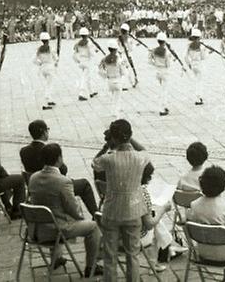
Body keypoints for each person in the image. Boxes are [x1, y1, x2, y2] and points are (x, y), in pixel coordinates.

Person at [28, 143, 103, 276]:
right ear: (59, 159)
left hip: (36, 230)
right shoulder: (63, 181)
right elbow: (73, 210)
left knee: (53, 215)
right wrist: (79, 216)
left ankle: (56, 258)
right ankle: (91, 267)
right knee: (93, 227)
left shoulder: (33, 177)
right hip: (57, 230)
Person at [92, 119, 153, 282]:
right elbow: (145, 150)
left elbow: (94, 164)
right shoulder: (139, 157)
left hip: (112, 211)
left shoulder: (109, 158)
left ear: (114, 137)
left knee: (110, 255)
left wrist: (106, 145)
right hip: (133, 210)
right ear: (129, 135)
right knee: (132, 255)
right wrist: (130, 138)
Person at [20, 120, 98, 217]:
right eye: (47, 130)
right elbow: (63, 169)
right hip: (54, 185)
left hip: (35, 186)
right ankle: (96, 215)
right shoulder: (49, 150)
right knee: (84, 184)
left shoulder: (23, 151)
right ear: (44, 132)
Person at [186, 165, 225, 282]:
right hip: (224, 254)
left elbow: (190, 222)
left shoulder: (194, 205)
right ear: (223, 185)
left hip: (202, 251)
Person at [148, 32, 172, 116]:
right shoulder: (167, 52)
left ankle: (164, 105)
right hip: (164, 71)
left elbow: (149, 61)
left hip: (157, 70)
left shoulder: (153, 50)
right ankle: (162, 108)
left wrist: (156, 64)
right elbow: (168, 64)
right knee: (164, 91)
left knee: (162, 89)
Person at [99, 42, 125, 116]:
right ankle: (116, 112)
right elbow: (123, 71)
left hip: (109, 80)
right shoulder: (119, 59)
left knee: (114, 96)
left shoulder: (104, 59)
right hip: (117, 79)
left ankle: (113, 110)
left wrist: (106, 76)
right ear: (116, 50)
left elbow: (100, 70)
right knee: (118, 97)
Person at [72, 27, 98, 101]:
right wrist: (95, 51)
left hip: (81, 61)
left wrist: (77, 60)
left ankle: (91, 91)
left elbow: (75, 53)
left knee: (88, 77)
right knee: (85, 78)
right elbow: (92, 53)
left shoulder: (78, 43)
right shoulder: (88, 43)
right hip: (87, 62)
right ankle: (81, 93)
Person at [34, 31, 59, 110]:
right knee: (49, 85)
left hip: (43, 68)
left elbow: (34, 60)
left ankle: (50, 100)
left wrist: (40, 63)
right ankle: (46, 102)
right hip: (50, 67)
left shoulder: (39, 49)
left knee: (47, 84)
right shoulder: (51, 48)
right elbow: (56, 58)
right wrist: (56, 61)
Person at [185, 28, 207, 106]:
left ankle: (197, 96)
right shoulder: (201, 46)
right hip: (199, 64)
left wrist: (189, 64)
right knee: (199, 81)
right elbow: (203, 57)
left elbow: (185, 56)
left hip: (192, 64)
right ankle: (198, 97)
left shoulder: (189, 45)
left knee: (196, 81)